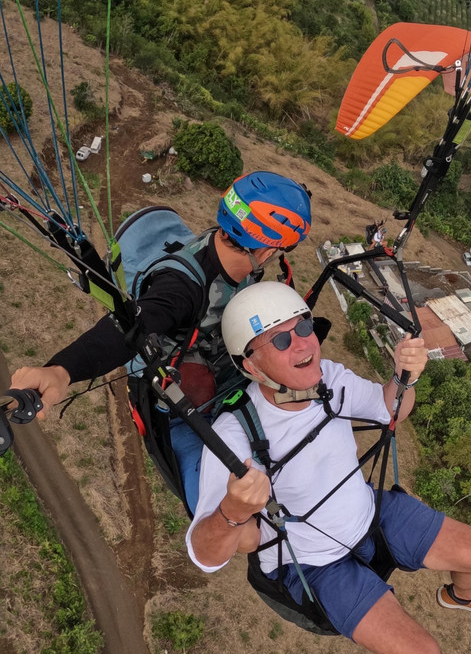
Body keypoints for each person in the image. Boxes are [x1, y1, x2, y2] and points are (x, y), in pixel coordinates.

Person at [186, 281, 471, 654]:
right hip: (314, 564)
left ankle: (462, 595)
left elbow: (391, 409)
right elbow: (204, 554)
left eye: (304, 327)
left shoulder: (329, 378)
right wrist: (232, 508)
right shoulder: (235, 436)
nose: (304, 343)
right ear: (249, 365)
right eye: (282, 339)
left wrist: (406, 378)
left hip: (368, 513)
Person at [9, 171, 313, 510]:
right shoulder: (183, 289)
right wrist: (61, 370)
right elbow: (131, 327)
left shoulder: (229, 251)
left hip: (227, 378)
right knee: (213, 506)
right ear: (270, 250)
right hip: (176, 404)